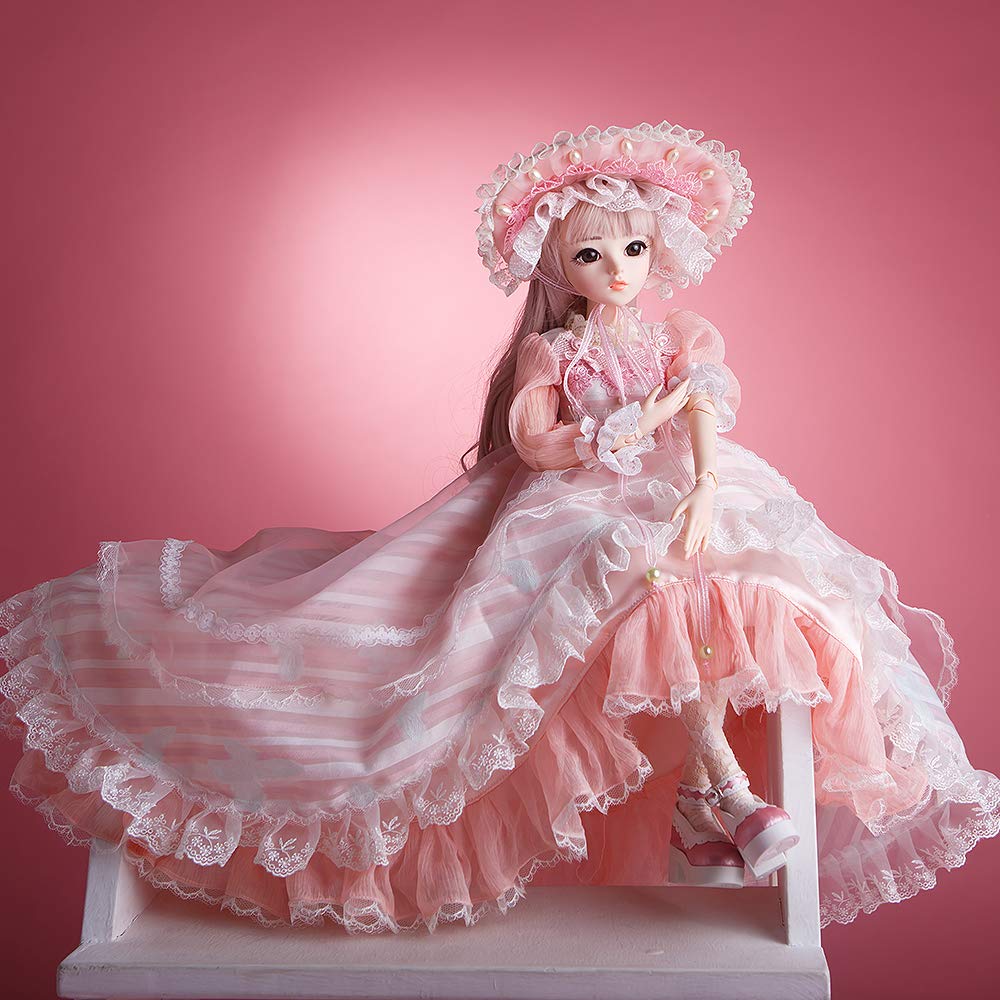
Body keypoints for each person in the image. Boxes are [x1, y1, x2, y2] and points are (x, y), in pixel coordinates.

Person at [1, 120, 997, 936]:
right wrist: (627, 426)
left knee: (742, 583)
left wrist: (699, 484)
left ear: (660, 249)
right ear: (560, 265)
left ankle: (712, 796)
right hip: (581, 495)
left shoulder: (679, 336)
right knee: (622, 580)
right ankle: (719, 789)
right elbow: (542, 445)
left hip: (679, 485)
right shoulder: (554, 354)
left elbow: (704, 405)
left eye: (632, 249)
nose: (617, 269)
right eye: (592, 254)